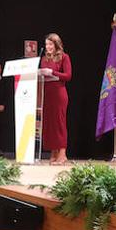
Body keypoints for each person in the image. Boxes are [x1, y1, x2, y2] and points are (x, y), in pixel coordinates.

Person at [40, 32, 72, 164]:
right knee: (49, 124)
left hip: (59, 94)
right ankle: (53, 152)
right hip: (47, 94)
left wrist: (52, 72)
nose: (48, 47)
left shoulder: (64, 57)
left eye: (50, 44)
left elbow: (68, 76)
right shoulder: (44, 59)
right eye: (46, 44)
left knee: (59, 123)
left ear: (56, 44)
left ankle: (62, 154)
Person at [0, 60, 15, 152]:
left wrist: (3, 104)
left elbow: (7, 94)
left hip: (1, 108)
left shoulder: (4, 81)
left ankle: (0, 149)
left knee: (1, 128)